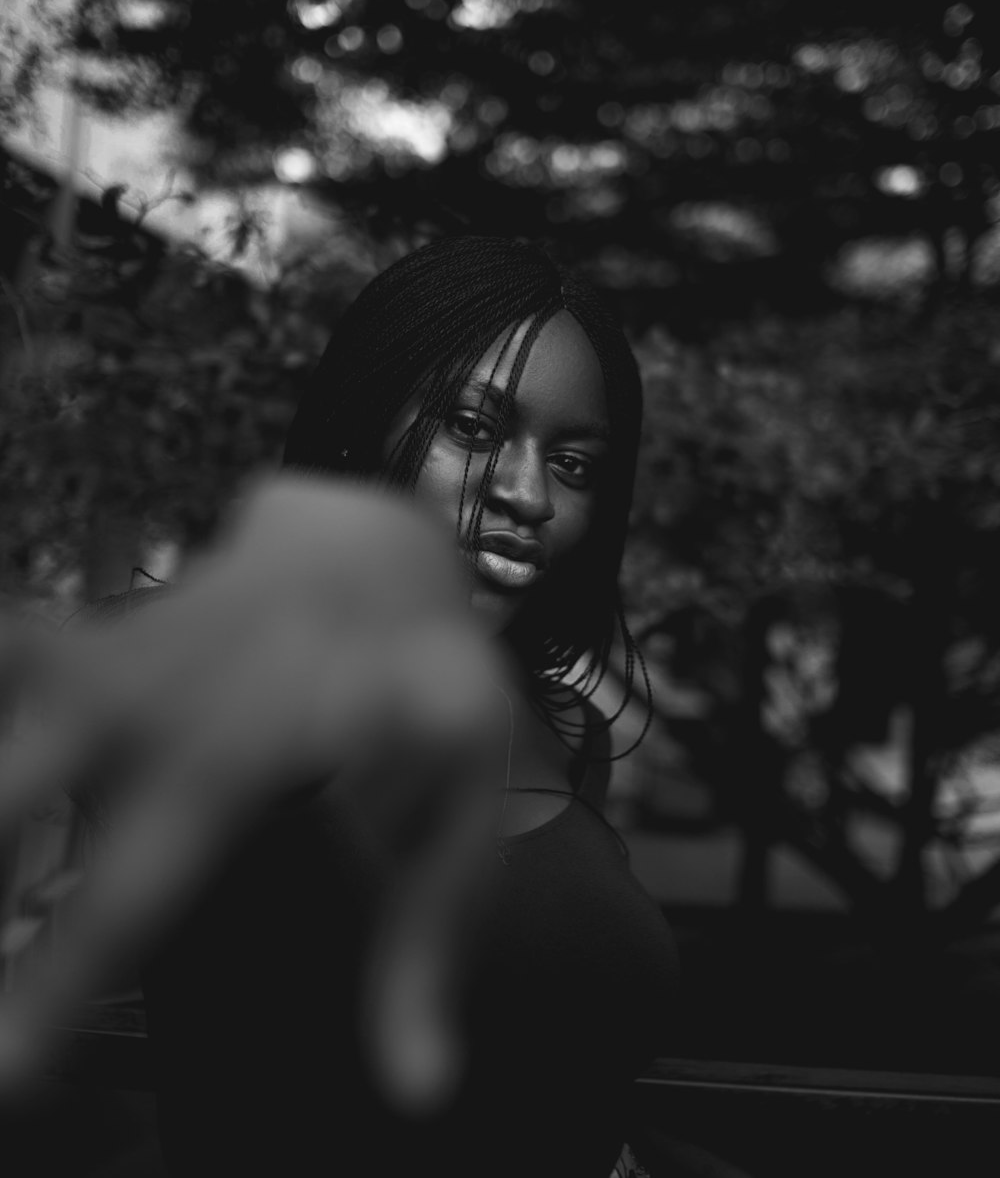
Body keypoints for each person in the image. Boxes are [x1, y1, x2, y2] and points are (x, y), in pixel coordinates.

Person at [0, 234, 679, 1177]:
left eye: (571, 464)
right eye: (475, 430)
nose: (526, 495)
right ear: (368, 419)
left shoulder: (565, 726)